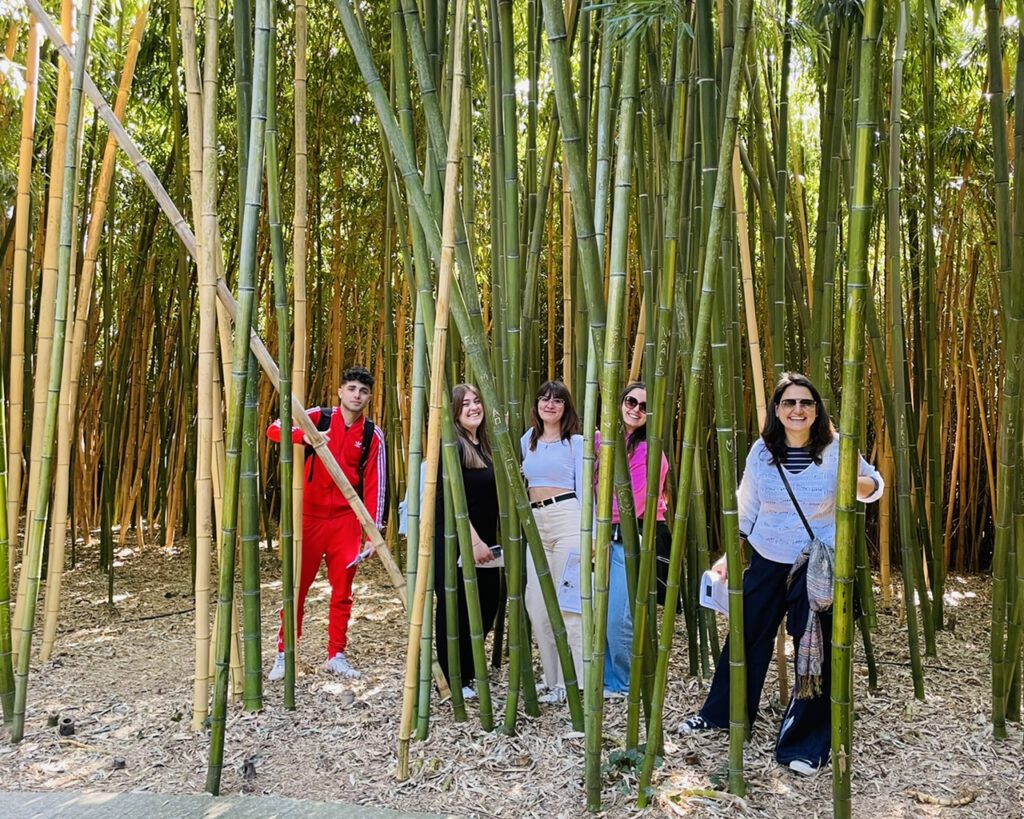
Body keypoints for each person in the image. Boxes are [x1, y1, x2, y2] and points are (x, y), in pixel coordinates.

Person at [676, 372, 884, 776]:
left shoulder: (838, 449)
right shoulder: (761, 452)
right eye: (789, 403)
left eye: (806, 402)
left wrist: (851, 483)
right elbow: (747, 504)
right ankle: (722, 714)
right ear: (777, 410)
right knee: (746, 637)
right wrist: (729, 552)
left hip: (817, 564)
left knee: (813, 650)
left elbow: (874, 486)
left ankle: (805, 742)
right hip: (768, 557)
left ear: (817, 409)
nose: (798, 410)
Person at [265, 365, 386, 680]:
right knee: (296, 587)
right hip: (308, 517)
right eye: (351, 389)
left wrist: (373, 532)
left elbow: (376, 485)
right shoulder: (319, 416)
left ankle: (336, 654)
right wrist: (305, 436)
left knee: (343, 591)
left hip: (346, 520)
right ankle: (284, 654)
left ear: (369, 397)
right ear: (341, 391)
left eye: (363, 391)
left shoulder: (373, 435)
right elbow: (274, 428)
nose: (356, 395)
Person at [600, 382, 671, 694]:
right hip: (601, 537)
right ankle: (606, 679)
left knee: (619, 617)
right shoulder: (602, 440)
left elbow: (632, 503)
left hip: (632, 539)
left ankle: (626, 683)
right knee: (599, 614)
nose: (636, 409)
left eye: (644, 406)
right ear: (620, 402)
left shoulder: (650, 452)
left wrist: (598, 512)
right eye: (631, 401)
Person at [434, 384, 502, 700]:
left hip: (486, 545)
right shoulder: (453, 446)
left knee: (487, 603)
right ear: (454, 412)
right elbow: (450, 501)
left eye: (477, 400)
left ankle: (469, 671)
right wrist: (471, 542)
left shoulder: (484, 445)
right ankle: (453, 678)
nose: (473, 407)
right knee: (455, 609)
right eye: (465, 404)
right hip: (455, 543)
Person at [520, 380, 585, 703]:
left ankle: (573, 681)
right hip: (536, 521)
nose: (550, 404)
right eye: (544, 398)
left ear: (566, 407)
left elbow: (586, 492)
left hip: (568, 518)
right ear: (537, 405)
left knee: (568, 602)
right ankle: (551, 679)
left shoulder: (577, 443)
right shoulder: (526, 441)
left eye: (557, 400)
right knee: (536, 602)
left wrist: (592, 536)